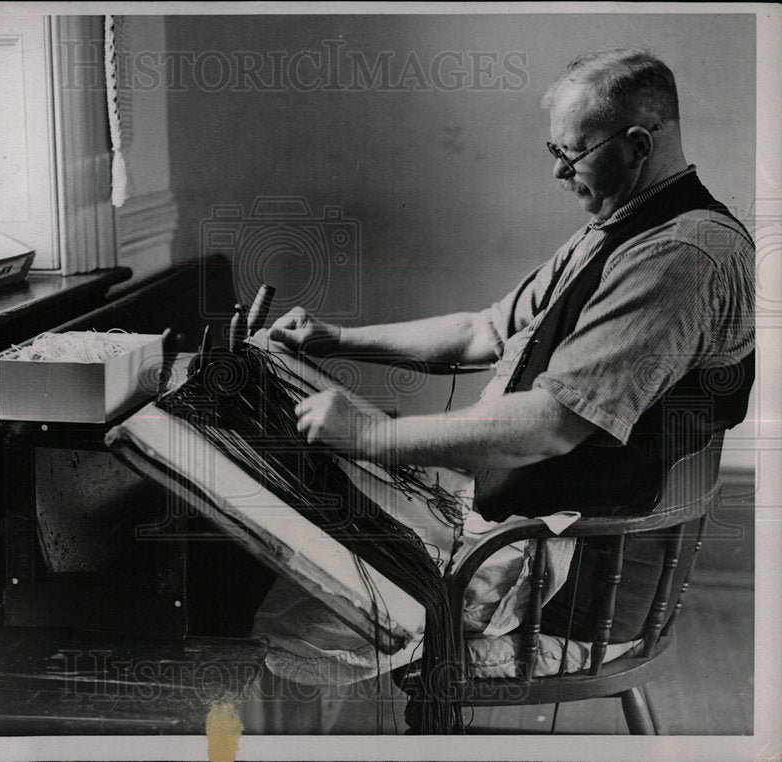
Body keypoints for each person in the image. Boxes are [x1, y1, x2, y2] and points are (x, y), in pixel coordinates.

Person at [254, 47, 755, 731]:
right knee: (313, 568)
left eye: (570, 154)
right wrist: (336, 339)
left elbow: (553, 423)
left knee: (307, 614)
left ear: (638, 145)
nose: (557, 172)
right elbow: (480, 331)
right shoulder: (621, 228)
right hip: (531, 533)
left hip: (572, 580)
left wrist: (371, 435)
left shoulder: (680, 257)